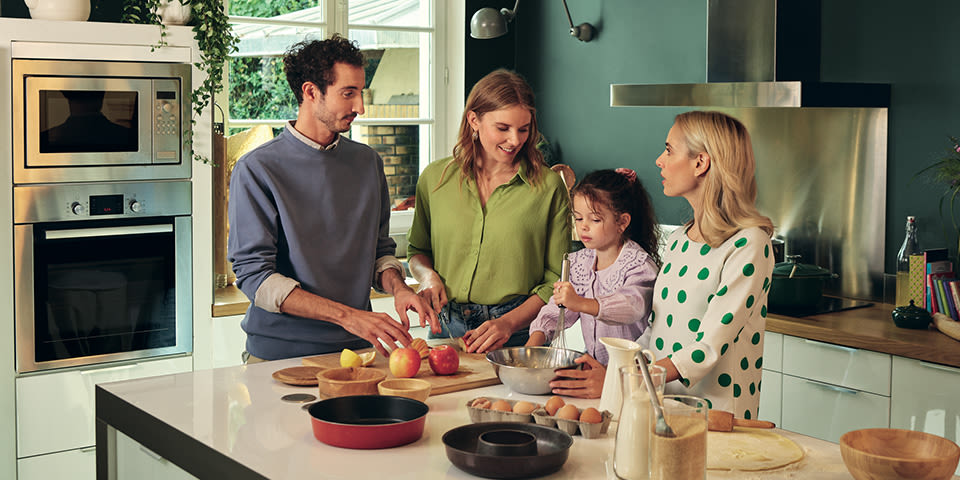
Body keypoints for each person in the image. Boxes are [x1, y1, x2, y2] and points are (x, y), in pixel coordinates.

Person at [550, 111, 775, 419]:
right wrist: (615, 369)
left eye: (669, 150)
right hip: (661, 405)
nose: (659, 160)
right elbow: (656, 333)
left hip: (717, 418)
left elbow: (706, 348)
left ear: (701, 163)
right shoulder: (683, 237)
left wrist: (620, 379)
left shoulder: (748, 244)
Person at [228, 35, 436, 362]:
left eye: (361, 92)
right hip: (280, 358)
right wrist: (350, 317)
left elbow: (379, 252)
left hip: (358, 354)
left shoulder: (368, 163)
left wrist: (399, 288)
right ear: (311, 92)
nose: (360, 107)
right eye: (348, 93)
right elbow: (256, 278)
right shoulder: (258, 170)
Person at [407, 69, 572, 354]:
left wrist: (507, 323)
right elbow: (417, 251)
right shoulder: (435, 179)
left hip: (518, 333)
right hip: (445, 328)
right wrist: (428, 277)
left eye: (524, 129)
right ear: (474, 120)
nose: (515, 140)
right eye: (503, 128)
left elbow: (556, 279)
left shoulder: (548, 188)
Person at [525, 168, 660, 364]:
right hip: (596, 366)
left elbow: (633, 306)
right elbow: (557, 310)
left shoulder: (638, 265)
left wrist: (579, 302)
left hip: (633, 369)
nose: (583, 226)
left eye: (595, 219)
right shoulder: (579, 263)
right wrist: (532, 346)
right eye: (578, 218)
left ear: (622, 222)